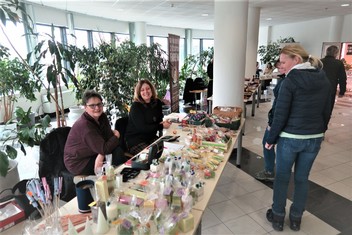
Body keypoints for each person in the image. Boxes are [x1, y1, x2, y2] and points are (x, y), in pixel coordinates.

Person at [265, 44, 332, 232]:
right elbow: (327, 110)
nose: (280, 65)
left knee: (283, 177)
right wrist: (320, 130)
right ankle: (296, 219)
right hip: (314, 138)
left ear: (296, 59)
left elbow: (281, 114)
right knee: (302, 178)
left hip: (290, 138)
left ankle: (278, 217)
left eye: (284, 61)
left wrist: (270, 138)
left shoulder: (290, 81)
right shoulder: (323, 79)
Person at [64, 90, 127, 176]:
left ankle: (121, 178)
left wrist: (100, 155)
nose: (97, 108)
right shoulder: (85, 126)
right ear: (85, 107)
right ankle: (118, 181)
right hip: (79, 162)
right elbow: (105, 147)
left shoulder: (102, 116)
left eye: (99, 104)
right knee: (116, 155)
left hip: (94, 151)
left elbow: (108, 137)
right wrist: (116, 136)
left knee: (117, 151)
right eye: (92, 106)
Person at [255, 59, 285, 181]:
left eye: (282, 65)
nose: (279, 68)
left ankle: (269, 171)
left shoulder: (286, 82)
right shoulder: (287, 80)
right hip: (284, 122)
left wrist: (272, 124)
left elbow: (280, 107)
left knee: (268, 143)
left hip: (278, 122)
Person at [125, 79, 171, 155]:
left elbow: (159, 121)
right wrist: (161, 125)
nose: (146, 92)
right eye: (142, 90)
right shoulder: (136, 106)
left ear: (152, 89)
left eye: (148, 88)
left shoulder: (157, 102)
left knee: (167, 152)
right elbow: (143, 128)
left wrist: (164, 123)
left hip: (151, 137)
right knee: (151, 156)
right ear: (139, 93)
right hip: (136, 141)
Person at [321, 45, 347, 112]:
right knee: (328, 110)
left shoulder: (320, 61)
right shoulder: (339, 63)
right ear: (336, 53)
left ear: (326, 52)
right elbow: (342, 79)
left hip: (318, 88)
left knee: (318, 108)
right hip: (331, 89)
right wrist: (342, 92)